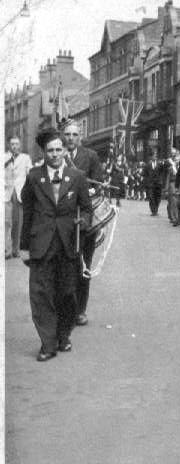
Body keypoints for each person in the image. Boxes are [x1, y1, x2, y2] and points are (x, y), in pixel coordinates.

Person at [20, 128, 92, 361]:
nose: (54, 154)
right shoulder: (33, 177)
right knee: (41, 295)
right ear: (44, 152)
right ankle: (48, 344)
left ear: (64, 150)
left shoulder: (77, 176)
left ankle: (63, 335)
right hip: (41, 244)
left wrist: (85, 221)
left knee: (67, 294)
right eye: (50, 150)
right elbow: (27, 213)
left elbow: (87, 208)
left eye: (58, 149)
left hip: (68, 243)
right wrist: (23, 247)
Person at [61, 121, 102, 327]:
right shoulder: (56, 155)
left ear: (80, 136)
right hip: (63, 220)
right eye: (67, 134)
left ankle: (80, 310)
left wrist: (87, 192)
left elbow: (98, 184)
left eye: (74, 134)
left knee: (83, 265)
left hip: (85, 220)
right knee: (64, 265)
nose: (70, 138)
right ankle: (64, 309)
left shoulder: (91, 156)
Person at [5, 136, 33, 259]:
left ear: (20, 145)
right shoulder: (3, 157)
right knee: (6, 222)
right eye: (12, 144)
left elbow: (30, 172)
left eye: (16, 144)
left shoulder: (25, 158)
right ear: (8, 145)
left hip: (19, 193)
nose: (14, 146)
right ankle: (6, 249)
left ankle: (16, 249)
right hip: (6, 193)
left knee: (18, 223)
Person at [143, 150, 164, 216]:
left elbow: (163, 172)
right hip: (150, 184)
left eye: (155, 156)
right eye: (153, 156)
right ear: (151, 157)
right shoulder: (147, 165)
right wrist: (147, 182)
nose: (154, 157)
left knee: (158, 197)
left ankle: (156, 209)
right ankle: (153, 211)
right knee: (151, 197)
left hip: (158, 184)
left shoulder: (160, 164)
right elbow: (144, 174)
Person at [162, 148, 179, 225]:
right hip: (172, 184)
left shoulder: (179, 166)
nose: (175, 157)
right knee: (172, 201)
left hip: (178, 184)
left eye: (176, 155)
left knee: (176, 202)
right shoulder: (168, 165)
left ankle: (175, 216)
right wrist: (166, 188)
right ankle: (173, 217)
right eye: (174, 155)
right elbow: (167, 177)